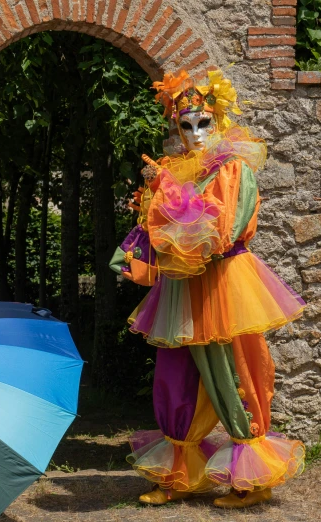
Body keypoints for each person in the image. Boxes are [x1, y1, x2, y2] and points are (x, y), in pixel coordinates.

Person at [109, 68, 307, 508]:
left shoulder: (234, 168)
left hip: (221, 286)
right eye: (186, 125)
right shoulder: (175, 170)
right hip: (181, 287)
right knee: (174, 374)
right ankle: (177, 475)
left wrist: (168, 203)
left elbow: (222, 232)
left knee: (231, 372)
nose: (195, 135)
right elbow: (161, 231)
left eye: (204, 124)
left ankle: (251, 481)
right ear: (175, 126)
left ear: (218, 121)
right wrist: (153, 200)